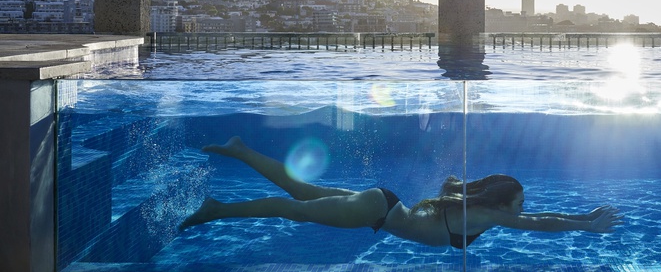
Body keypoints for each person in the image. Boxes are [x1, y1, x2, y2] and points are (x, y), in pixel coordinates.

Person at [179, 136, 623, 248]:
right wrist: (586, 227)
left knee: (300, 190)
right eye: (519, 203)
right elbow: (537, 223)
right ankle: (217, 209)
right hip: (381, 210)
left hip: (383, 205)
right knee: (294, 207)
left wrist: (585, 218)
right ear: (503, 205)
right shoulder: (489, 216)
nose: (524, 209)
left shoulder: (474, 207)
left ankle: (239, 151)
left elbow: (536, 216)